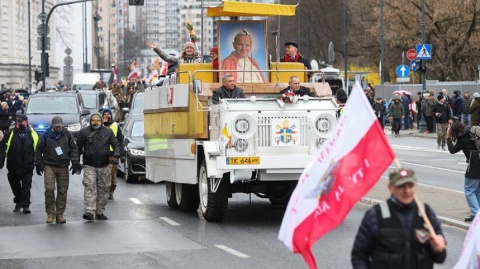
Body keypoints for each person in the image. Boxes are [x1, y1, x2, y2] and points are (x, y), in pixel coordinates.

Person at [351, 168, 447, 268]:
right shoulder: (375, 215)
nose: (407, 191)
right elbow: (359, 256)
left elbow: (440, 258)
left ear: (416, 186)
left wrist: (439, 250)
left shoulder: (426, 214)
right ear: (390, 187)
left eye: (410, 186)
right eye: (401, 186)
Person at [34, 116, 80, 224]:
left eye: (60, 126)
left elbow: (73, 149)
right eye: (56, 126)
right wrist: (38, 164)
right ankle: (50, 213)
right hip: (49, 165)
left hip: (63, 166)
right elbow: (38, 149)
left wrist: (74, 162)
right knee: (49, 189)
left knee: (62, 191)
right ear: (53, 126)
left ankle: (60, 214)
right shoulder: (45, 135)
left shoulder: (68, 135)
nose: (58, 128)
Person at [76, 113, 120, 221]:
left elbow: (116, 145)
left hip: (104, 165)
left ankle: (100, 211)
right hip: (89, 165)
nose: (95, 122)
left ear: (101, 121)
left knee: (104, 188)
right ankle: (90, 211)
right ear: (90, 121)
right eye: (93, 120)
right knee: (90, 187)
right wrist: (76, 161)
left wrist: (116, 155)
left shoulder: (108, 132)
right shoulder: (84, 132)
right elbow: (77, 147)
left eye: (98, 120)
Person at [0, 115, 38, 213]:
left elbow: (38, 149)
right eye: (18, 122)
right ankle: (18, 201)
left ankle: (25, 206)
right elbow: (3, 148)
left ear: (26, 122)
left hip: (27, 166)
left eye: (21, 122)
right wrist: (1, 162)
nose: (19, 123)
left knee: (26, 187)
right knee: (15, 187)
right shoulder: (10, 134)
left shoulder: (33, 134)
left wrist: (38, 164)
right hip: (13, 166)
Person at [446, 119, 480, 222]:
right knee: (477, 189)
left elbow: (452, 150)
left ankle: (475, 213)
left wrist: (448, 137)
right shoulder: (471, 131)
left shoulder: (462, 139)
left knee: (469, 189)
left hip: (474, 164)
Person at [102, 108, 124, 200]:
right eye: (105, 114)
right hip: (102, 154)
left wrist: (120, 153)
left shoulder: (115, 125)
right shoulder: (99, 125)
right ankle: (102, 191)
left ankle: (110, 192)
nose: (107, 116)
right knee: (102, 175)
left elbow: (120, 140)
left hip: (113, 155)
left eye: (108, 114)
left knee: (112, 176)